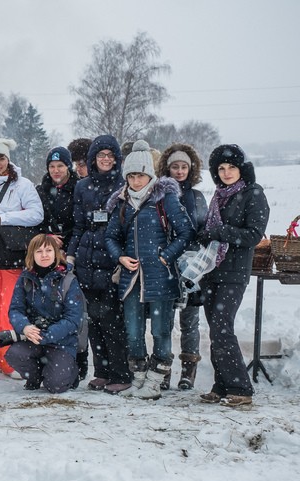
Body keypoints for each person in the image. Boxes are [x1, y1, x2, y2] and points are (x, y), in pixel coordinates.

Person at [105, 140, 194, 399]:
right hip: (131, 278)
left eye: (140, 175)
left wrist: (166, 256)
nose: (135, 180)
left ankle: (155, 382)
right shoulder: (121, 203)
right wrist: (120, 257)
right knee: (133, 332)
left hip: (160, 277)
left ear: (150, 175)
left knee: (160, 330)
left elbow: (186, 232)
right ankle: (139, 379)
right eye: (131, 175)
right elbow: (110, 237)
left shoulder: (164, 199)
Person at [195, 144, 269, 407]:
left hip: (234, 272)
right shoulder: (219, 195)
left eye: (232, 167)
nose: (226, 173)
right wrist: (205, 234)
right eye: (221, 169)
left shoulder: (253, 194)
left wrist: (221, 232)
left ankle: (241, 388)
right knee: (215, 330)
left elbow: (253, 235)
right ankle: (221, 384)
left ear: (242, 169)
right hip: (211, 271)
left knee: (222, 327)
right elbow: (212, 229)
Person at [67, 135, 132, 393]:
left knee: (112, 321)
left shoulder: (123, 185)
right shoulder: (82, 186)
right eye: (100, 155)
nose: (105, 160)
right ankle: (102, 371)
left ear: (116, 159)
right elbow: (78, 225)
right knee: (92, 320)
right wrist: (71, 254)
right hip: (86, 261)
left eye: (110, 155)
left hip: (111, 258)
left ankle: (121, 372)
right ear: (93, 159)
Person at [0, 138, 43, 378]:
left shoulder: (22, 185)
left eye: (1, 158)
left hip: (12, 256)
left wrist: (3, 218)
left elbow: (36, 214)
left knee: (9, 310)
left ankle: (12, 360)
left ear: (8, 159)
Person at [156, 143, 208, 390]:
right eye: (174, 167)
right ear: (167, 168)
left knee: (190, 319)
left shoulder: (196, 196)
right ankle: (163, 369)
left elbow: (205, 227)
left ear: (191, 168)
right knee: (165, 319)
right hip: (166, 262)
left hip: (191, 265)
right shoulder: (160, 194)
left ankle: (188, 371)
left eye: (183, 167)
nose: (179, 171)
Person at [6, 233, 84, 393]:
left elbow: (73, 319)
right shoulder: (25, 278)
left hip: (61, 341)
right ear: (32, 255)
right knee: (14, 354)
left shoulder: (68, 279)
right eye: (39, 251)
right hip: (33, 338)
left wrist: (47, 335)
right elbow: (15, 309)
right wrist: (25, 327)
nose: (44, 255)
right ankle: (35, 376)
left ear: (56, 253)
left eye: (48, 250)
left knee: (55, 386)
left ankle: (70, 372)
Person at [35, 146, 87, 382]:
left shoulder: (79, 188)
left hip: (71, 253)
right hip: (47, 253)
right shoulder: (41, 190)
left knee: (76, 310)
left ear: (68, 167)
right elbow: (35, 220)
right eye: (52, 166)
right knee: (49, 308)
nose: (56, 170)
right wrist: (47, 237)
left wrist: (68, 249)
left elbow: (80, 224)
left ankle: (79, 360)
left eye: (60, 166)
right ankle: (49, 361)